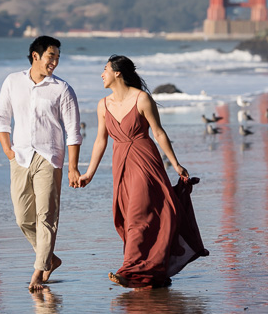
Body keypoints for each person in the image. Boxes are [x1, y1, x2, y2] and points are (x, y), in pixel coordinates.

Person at [79, 55, 208, 288]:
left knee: (138, 217)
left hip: (144, 160)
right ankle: (151, 270)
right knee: (128, 216)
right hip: (120, 164)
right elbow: (100, 141)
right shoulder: (102, 105)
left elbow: (158, 133)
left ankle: (130, 270)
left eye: (105, 69)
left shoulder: (141, 99)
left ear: (117, 73)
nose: (102, 74)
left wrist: (176, 164)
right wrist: (89, 173)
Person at [0, 35, 82, 292]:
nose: (54, 62)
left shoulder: (62, 89)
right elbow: (1, 117)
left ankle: (38, 270)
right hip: (19, 157)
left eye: (57, 57)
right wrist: (7, 149)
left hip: (49, 157)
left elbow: (73, 131)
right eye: (50, 56)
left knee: (46, 216)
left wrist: (73, 167)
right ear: (35, 56)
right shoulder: (13, 81)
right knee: (23, 217)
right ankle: (50, 258)